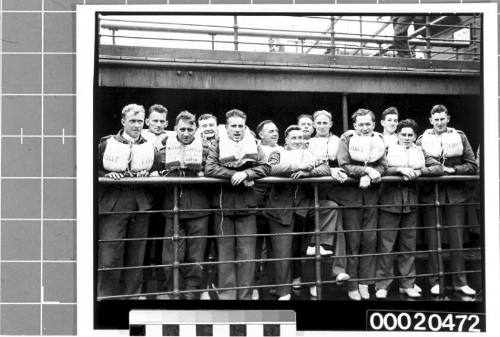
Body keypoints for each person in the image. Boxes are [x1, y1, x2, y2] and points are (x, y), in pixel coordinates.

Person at [265, 125, 340, 300]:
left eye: (301, 138)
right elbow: (271, 168)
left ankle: (319, 245)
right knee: (282, 253)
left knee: (330, 206)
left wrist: (307, 172)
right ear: (287, 140)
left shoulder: (309, 154)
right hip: (281, 209)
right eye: (294, 138)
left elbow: (325, 168)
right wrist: (297, 166)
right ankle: (283, 292)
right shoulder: (277, 152)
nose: (298, 141)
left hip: (303, 206)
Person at [205, 109, 271, 300]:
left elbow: (266, 166)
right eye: (233, 126)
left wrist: (247, 174)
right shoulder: (217, 144)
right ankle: (227, 297)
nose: (237, 130)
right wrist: (233, 174)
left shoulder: (253, 143)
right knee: (225, 256)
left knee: (247, 256)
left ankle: (245, 297)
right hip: (223, 205)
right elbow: (210, 168)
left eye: (240, 126)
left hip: (247, 205)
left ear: (245, 127)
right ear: (226, 128)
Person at [375, 119, 443, 299]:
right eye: (403, 134)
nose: (406, 138)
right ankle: (383, 284)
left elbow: (438, 167)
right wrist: (400, 169)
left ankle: (407, 284)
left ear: (415, 136)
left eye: (410, 135)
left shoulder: (420, 151)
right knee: (386, 247)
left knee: (408, 246)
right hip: (389, 203)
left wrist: (421, 172)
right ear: (397, 134)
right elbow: (380, 168)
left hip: (411, 204)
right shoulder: (386, 149)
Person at [97, 103, 159, 299]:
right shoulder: (106, 144)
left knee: (136, 255)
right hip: (114, 204)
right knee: (110, 256)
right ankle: (106, 298)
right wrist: (107, 174)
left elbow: (157, 170)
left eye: (140, 121)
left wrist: (147, 174)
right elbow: (91, 167)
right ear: (123, 121)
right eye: (132, 121)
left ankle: (131, 298)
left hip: (141, 205)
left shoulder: (150, 147)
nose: (137, 125)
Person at [417, 104, 478, 296]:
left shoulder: (460, 136)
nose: (440, 122)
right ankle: (435, 281)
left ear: (448, 119)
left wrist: (454, 170)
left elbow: (472, 165)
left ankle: (460, 282)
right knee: (433, 240)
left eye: (443, 119)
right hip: (430, 193)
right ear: (430, 121)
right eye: (436, 119)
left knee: (456, 239)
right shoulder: (421, 139)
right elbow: (417, 163)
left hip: (455, 194)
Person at [157, 111, 210, 300]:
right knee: (171, 257)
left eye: (190, 129)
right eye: (182, 129)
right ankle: (173, 292)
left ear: (195, 129)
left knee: (196, 257)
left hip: (199, 209)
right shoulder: (163, 152)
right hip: (172, 208)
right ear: (175, 129)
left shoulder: (206, 151)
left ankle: (191, 294)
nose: (186, 133)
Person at [337, 108, 387, 301]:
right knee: (353, 242)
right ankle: (352, 284)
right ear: (355, 126)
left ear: (374, 125)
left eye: (368, 124)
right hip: (352, 198)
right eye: (361, 124)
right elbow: (344, 163)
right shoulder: (346, 139)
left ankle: (364, 283)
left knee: (369, 241)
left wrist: (375, 173)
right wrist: (366, 171)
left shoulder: (378, 140)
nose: (365, 128)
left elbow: (383, 164)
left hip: (372, 197)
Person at [307, 110, 349, 283]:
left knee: (338, 226)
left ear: (331, 124)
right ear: (314, 124)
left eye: (326, 123)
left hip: (334, 188)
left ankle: (339, 270)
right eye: (319, 123)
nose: (322, 126)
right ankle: (310, 281)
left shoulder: (338, 141)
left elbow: (345, 163)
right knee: (311, 229)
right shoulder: (306, 141)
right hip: (310, 189)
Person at [253, 120, 283, 299]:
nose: (275, 133)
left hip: (276, 204)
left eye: (277, 130)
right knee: (254, 247)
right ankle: (255, 286)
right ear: (260, 135)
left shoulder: (283, 150)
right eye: (271, 131)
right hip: (256, 203)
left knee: (275, 248)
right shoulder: (253, 149)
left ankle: (271, 285)